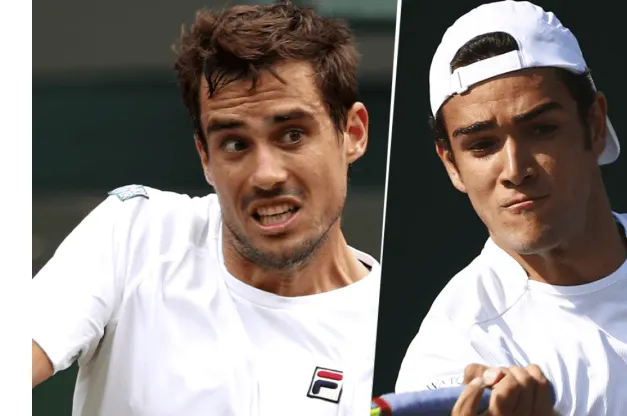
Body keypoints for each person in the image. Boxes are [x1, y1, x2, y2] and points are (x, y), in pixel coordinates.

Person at [31, 2, 382, 415]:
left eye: (291, 134)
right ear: (205, 157)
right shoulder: (135, 233)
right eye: (235, 144)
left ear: (353, 134)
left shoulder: (398, 338)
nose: (266, 175)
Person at [394, 1, 627, 415]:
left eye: (541, 130)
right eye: (482, 145)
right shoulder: (451, 354)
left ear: (594, 126)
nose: (515, 170)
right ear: (452, 164)